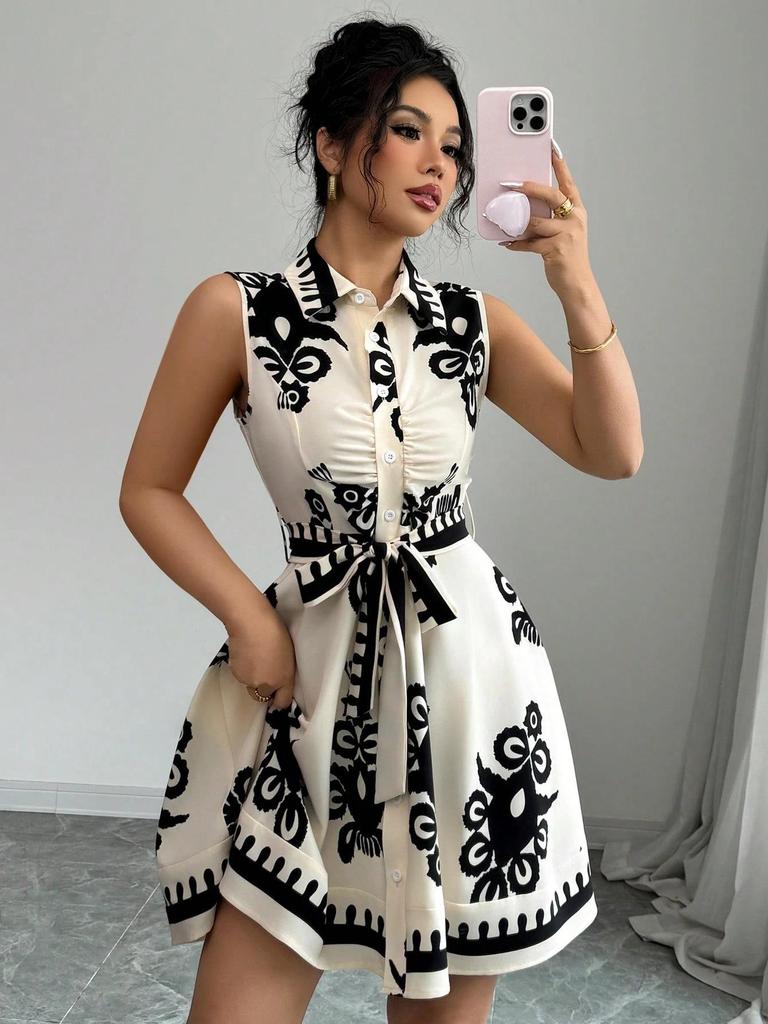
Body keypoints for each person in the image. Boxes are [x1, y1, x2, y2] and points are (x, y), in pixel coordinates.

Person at [119, 15, 642, 1024]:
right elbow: (148, 488)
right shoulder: (238, 312)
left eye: (454, 145)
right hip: (311, 696)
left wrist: (574, 279)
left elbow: (612, 450)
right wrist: (248, 615)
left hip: (471, 697)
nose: (438, 163)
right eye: (408, 131)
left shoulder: (473, 325)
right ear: (330, 142)